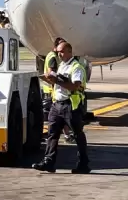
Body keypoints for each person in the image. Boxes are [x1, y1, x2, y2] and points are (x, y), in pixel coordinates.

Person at [33, 40, 90, 174]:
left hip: (70, 106)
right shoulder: (63, 65)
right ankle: (49, 162)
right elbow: (60, 83)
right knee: (52, 134)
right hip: (57, 105)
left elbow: (75, 86)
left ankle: (83, 164)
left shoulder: (76, 67)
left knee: (77, 135)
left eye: (62, 52)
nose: (59, 55)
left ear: (70, 52)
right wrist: (51, 80)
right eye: (58, 52)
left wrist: (56, 80)